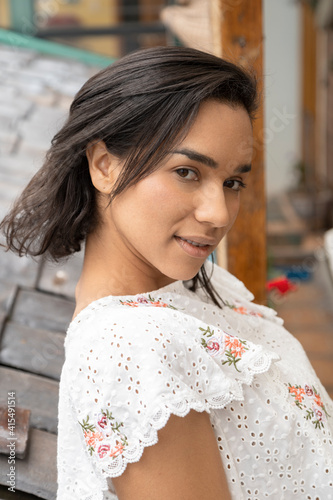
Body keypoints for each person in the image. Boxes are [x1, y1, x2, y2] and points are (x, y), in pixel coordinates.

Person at [1, 46, 332, 500]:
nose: (218, 214)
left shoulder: (192, 290)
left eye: (233, 182)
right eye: (186, 172)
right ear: (104, 165)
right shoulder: (129, 349)